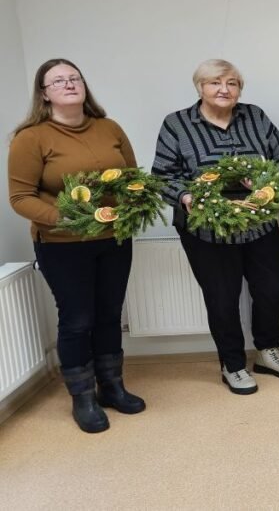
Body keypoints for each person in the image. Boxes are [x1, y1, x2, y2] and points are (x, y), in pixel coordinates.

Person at [8, 58, 145, 433]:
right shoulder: (31, 138)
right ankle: (83, 397)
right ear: (43, 94)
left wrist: (134, 206)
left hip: (114, 238)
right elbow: (20, 197)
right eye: (58, 81)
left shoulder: (109, 127)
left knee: (109, 313)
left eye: (74, 78)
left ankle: (112, 387)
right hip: (62, 244)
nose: (69, 84)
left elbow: (132, 179)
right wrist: (65, 219)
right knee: (77, 319)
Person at [152, 59, 279, 395]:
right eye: (215, 83)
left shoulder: (255, 116)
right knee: (222, 298)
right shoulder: (177, 124)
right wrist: (186, 196)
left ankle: (268, 350)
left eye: (232, 83)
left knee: (271, 288)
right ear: (200, 87)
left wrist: (263, 181)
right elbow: (163, 175)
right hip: (206, 229)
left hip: (259, 222)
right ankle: (232, 364)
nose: (224, 90)